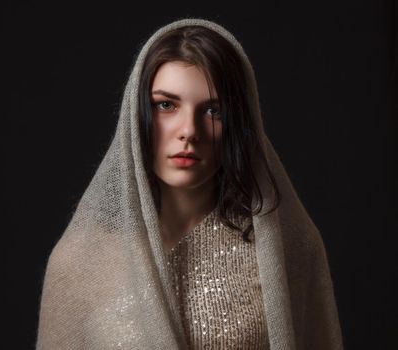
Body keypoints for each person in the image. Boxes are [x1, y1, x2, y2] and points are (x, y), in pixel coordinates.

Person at [36, 18, 343, 349]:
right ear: (137, 115)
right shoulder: (81, 265)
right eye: (166, 105)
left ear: (239, 123)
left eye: (214, 110)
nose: (189, 131)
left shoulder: (286, 249)